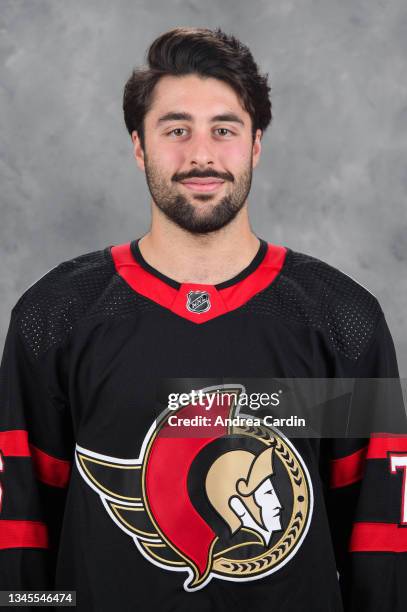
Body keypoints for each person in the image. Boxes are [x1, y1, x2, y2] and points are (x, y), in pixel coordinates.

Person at [0, 26, 406, 611]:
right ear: (138, 145)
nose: (200, 155)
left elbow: (381, 544)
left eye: (224, 129)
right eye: (175, 129)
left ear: (256, 144)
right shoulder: (53, 315)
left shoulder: (345, 319)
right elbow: (21, 537)